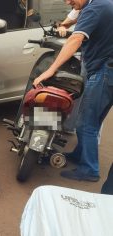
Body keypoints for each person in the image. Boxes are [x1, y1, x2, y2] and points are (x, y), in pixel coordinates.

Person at [33, 0, 113, 182]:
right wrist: (64, 25)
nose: (68, 2)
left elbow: (76, 39)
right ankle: (80, 154)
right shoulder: (105, 3)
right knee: (95, 119)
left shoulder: (94, 8)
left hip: (104, 72)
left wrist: (51, 69)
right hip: (109, 70)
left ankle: (89, 169)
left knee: (85, 122)